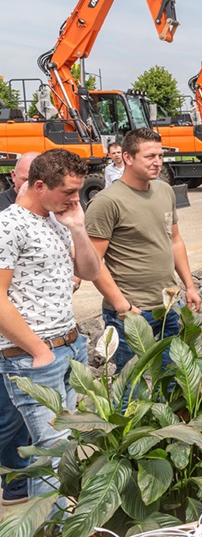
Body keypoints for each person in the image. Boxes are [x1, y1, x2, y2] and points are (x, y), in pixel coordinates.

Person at [0, 149, 101, 498]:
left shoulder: (58, 219)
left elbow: (89, 272)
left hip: (70, 344)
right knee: (54, 452)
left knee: (64, 449)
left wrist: (78, 227)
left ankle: (51, 524)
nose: (75, 199)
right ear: (38, 185)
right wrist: (38, 350)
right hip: (34, 355)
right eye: (68, 193)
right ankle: (51, 526)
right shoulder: (8, 226)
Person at [86, 128, 202, 369]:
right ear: (127, 158)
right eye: (150, 156)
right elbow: (93, 262)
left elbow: (175, 241)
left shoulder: (165, 191)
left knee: (173, 380)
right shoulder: (107, 202)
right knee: (131, 388)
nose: (157, 162)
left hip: (169, 305)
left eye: (160, 156)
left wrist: (189, 287)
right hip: (131, 312)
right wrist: (122, 306)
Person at [0, 151, 37, 505]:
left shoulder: (46, 211)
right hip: (6, 328)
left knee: (23, 411)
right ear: (14, 176)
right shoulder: (3, 213)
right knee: (9, 413)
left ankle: (16, 482)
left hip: (32, 327)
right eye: (24, 176)